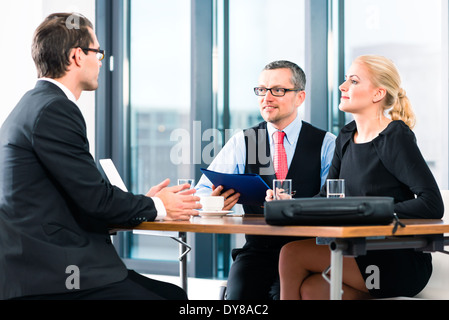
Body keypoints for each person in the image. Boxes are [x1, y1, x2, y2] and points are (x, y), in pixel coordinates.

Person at [0, 13, 201, 300]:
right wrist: (157, 204)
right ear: (77, 56)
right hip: (54, 274)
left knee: (172, 294)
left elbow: (78, 199)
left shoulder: (34, 104)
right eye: (98, 52)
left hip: (38, 265)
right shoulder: (54, 110)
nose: (101, 61)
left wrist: (146, 203)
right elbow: (96, 199)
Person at [278, 55, 444, 300]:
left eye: (353, 81)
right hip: (357, 249)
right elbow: (326, 197)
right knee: (313, 290)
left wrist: (372, 214)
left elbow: (432, 203)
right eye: (345, 80)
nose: (343, 87)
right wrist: (289, 205)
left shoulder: (394, 136)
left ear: (378, 94)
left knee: (291, 254)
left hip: (395, 256)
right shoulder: (345, 137)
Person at [195, 60, 336, 300]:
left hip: (308, 251)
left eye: (278, 90)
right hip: (258, 250)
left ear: (300, 97)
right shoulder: (243, 141)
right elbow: (202, 192)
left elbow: (333, 202)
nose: (267, 97)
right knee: (239, 296)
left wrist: (294, 206)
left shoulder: (326, 143)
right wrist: (215, 202)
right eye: (262, 90)